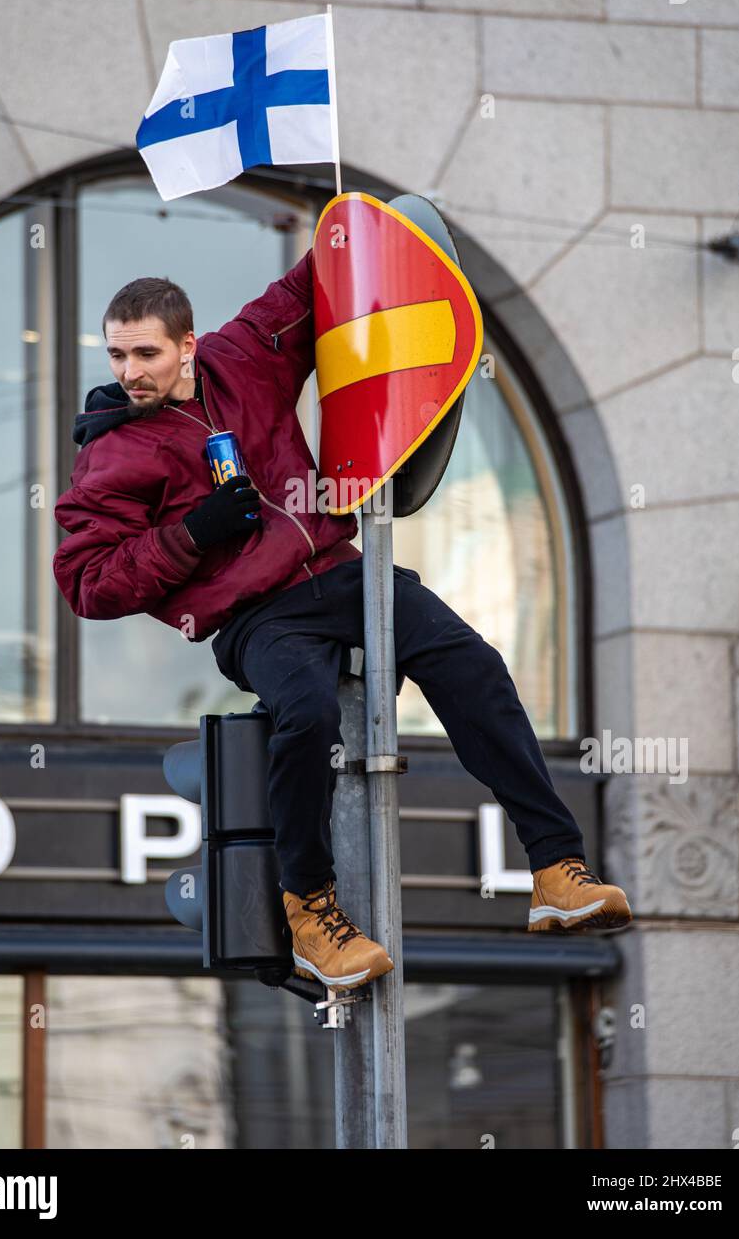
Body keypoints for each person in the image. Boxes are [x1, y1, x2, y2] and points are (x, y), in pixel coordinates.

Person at [53, 249, 632, 993]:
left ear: (188, 345)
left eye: (147, 353)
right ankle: (311, 912)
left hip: (336, 570)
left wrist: (361, 224)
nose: (131, 371)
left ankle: (557, 871)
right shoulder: (114, 454)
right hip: (255, 617)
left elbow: (310, 284)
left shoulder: (241, 359)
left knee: (473, 666)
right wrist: (195, 531)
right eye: (117, 354)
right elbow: (88, 583)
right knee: (306, 711)